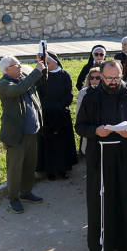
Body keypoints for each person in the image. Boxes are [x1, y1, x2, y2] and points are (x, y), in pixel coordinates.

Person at [76, 60, 127, 251]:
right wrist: (95, 131)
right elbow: (80, 126)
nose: (114, 82)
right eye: (109, 78)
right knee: (102, 203)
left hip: (125, 156)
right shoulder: (91, 96)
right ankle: (103, 249)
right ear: (101, 76)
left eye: (117, 78)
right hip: (99, 158)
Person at [0, 55, 46, 213]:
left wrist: (42, 64)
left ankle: (26, 192)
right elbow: (18, 89)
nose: (20, 66)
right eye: (16, 65)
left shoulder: (23, 78)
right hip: (16, 135)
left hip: (32, 132)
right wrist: (35, 72)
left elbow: (40, 80)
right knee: (15, 168)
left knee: (30, 165)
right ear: (7, 69)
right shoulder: (3, 84)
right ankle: (13, 198)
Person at [36, 52, 77, 182]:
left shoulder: (65, 75)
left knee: (62, 143)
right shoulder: (42, 76)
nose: (46, 65)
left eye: (48, 63)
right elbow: (38, 93)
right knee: (48, 143)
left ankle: (63, 169)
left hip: (61, 114)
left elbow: (69, 94)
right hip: (46, 115)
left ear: (55, 62)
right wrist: (46, 106)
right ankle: (50, 170)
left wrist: (60, 105)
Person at [76, 67, 102, 154]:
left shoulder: (107, 92)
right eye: (92, 78)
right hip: (89, 129)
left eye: (97, 78)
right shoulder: (83, 92)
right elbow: (78, 114)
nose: (94, 80)